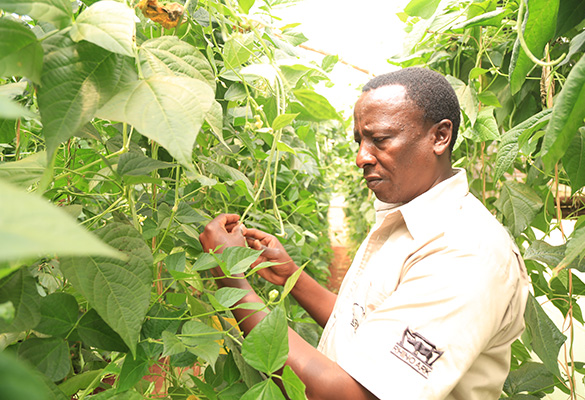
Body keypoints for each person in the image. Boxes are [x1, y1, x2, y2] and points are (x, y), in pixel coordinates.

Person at [199, 67, 529, 399]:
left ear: (440, 136)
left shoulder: (464, 253)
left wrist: (232, 281)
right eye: (359, 141)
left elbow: (353, 395)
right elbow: (365, 326)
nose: (361, 158)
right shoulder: (408, 219)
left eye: (380, 140)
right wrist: (291, 278)